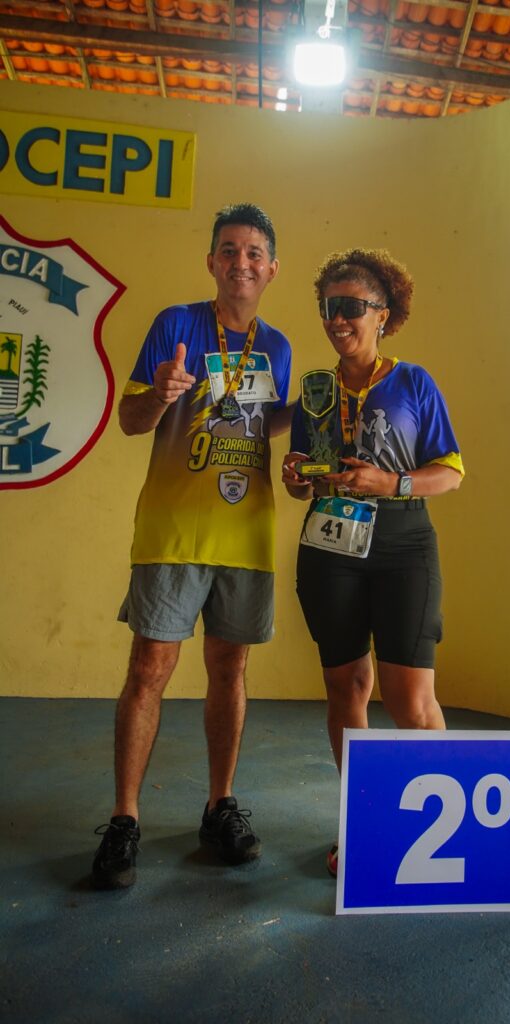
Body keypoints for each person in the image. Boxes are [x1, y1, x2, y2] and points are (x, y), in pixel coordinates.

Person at [91, 203, 292, 890]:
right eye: (229, 250)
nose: (241, 262)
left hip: (246, 534)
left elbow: (261, 423)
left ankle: (219, 806)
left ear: (271, 268)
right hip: (172, 530)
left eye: (254, 252)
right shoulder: (175, 324)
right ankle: (124, 819)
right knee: (149, 668)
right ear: (211, 261)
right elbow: (129, 419)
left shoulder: (279, 347)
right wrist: (160, 393)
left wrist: (311, 422)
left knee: (230, 670)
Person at [282, 248, 464, 876]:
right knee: (346, 687)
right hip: (330, 544)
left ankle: (437, 834)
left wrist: (393, 483)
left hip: (403, 544)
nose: (338, 318)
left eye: (351, 306)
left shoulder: (414, 382)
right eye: (328, 306)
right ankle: (362, 821)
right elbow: (305, 478)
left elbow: (451, 472)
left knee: (410, 699)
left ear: (383, 314)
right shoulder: (316, 389)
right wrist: (298, 477)